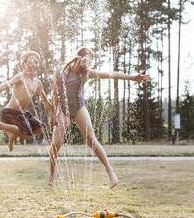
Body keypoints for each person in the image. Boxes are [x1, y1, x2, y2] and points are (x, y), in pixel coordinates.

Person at [48, 47, 150, 188]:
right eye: (88, 58)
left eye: (91, 60)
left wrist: (133, 78)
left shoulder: (86, 74)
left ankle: (111, 174)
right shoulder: (60, 71)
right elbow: (54, 94)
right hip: (63, 110)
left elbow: (112, 74)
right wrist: (52, 114)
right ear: (79, 56)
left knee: (92, 140)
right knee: (55, 144)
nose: (89, 62)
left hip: (78, 107)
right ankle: (52, 175)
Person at [0, 51, 57, 151]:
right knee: (27, 135)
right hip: (9, 112)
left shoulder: (37, 83)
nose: (33, 65)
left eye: (36, 62)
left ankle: (12, 135)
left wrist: (52, 114)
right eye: (30, 62)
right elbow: (7, 84)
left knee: (41, 128)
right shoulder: (21, 76)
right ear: (23, 65)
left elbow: (45, 100)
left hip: (21, 114)